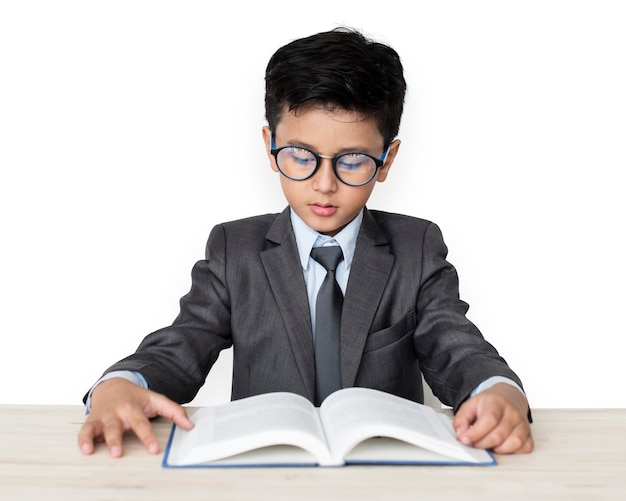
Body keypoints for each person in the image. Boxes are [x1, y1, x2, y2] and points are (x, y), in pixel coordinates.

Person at [78, 27, 533, 458]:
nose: (324, 185)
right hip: (265, 469)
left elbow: (456, 346)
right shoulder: (234, 249)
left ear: (387, 158)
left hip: (385, 472)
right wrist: (119, 384)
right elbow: (182, 345)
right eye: (300, 157)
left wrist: (496, 390)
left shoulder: (416, 247)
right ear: (270, 145)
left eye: (352, 161)